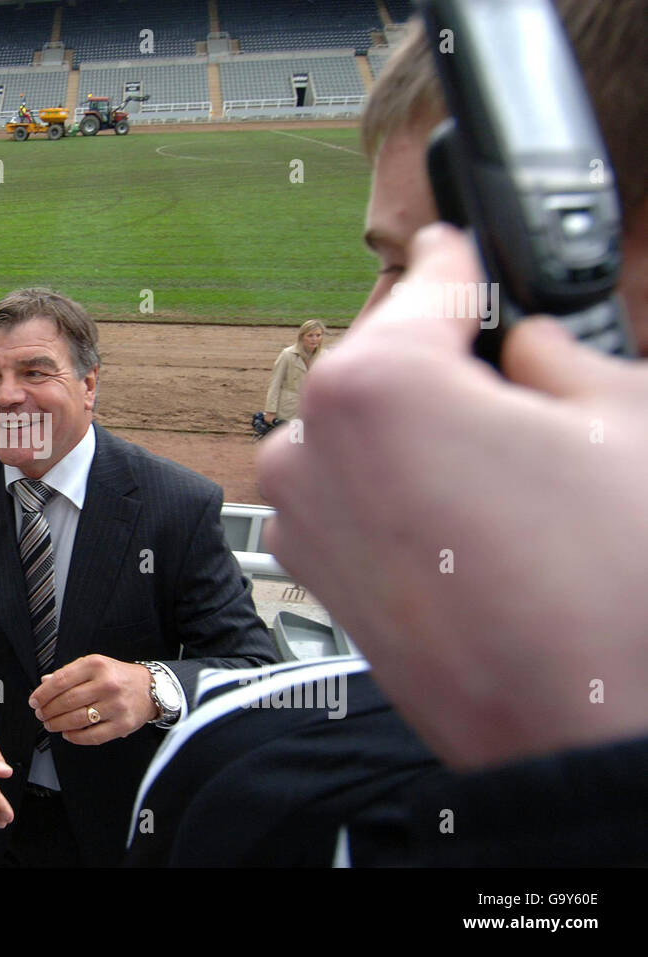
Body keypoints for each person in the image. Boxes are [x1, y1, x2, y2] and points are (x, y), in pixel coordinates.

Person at [134, 0, 648, 866]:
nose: (356, 350)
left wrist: (579, 775)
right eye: (385, 271)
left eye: (420, 271)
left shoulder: (258, 784)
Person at [0, 287, 277, 867]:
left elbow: (257, 671)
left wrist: (156, 688)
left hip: (119, 829)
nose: (6, 397)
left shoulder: (175, 504)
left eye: (36, 372)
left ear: (90, 386)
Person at [262, 319, 325, 426]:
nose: (314, 339)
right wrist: (270, 410)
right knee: (295, 439)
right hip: (290, 409)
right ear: (302, 336)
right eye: (310, 335)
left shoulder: (325, 356)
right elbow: (275, 384)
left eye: (318, 335)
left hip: (315, 408)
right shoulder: (287, 354)